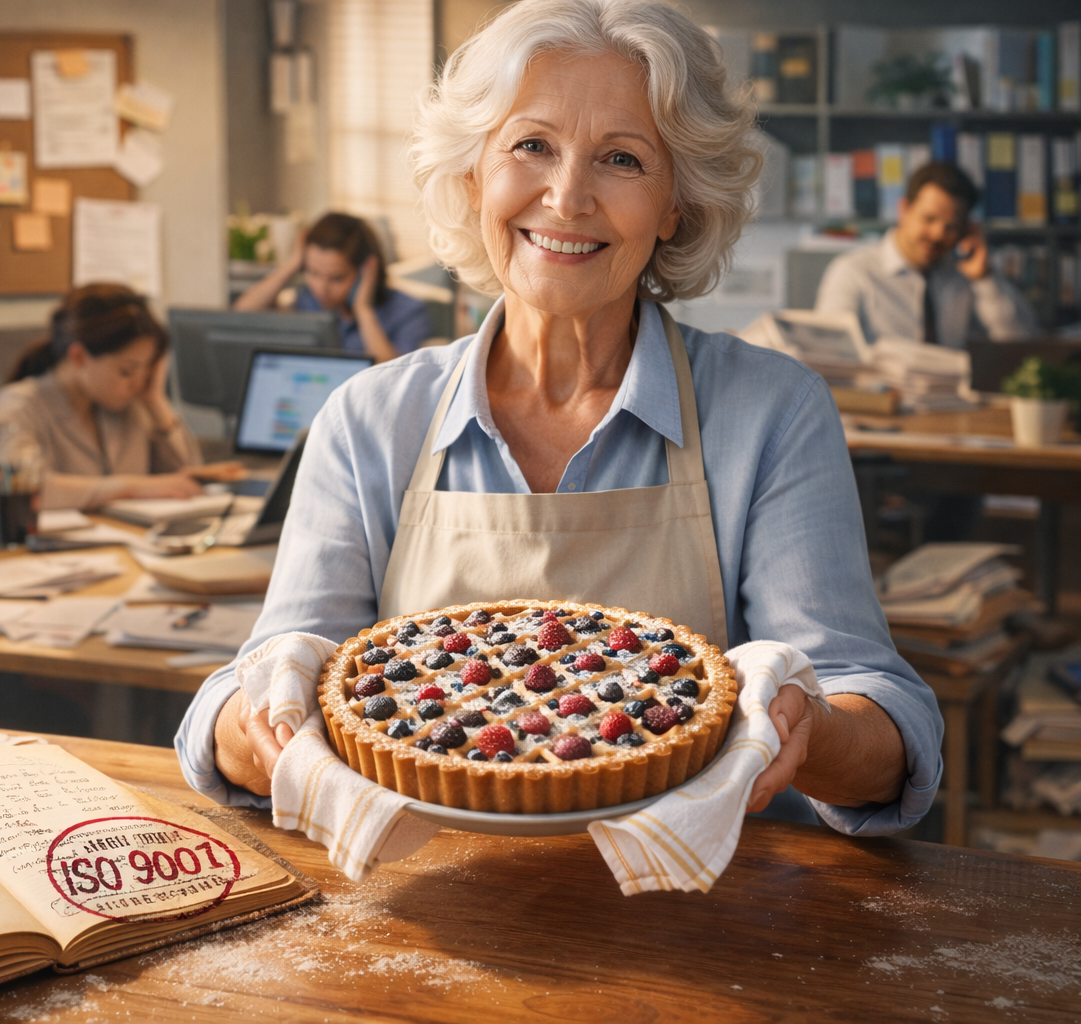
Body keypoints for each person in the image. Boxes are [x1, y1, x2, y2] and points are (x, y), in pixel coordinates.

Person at [178, 0, 943, 836]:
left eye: (621, 159)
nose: (567, 196)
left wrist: (810, 725)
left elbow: (889, 734)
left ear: (676, 206)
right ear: (474, 176)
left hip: (705, 917)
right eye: (531, 145)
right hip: (428, 904)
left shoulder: (771, 412)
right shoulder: (369, 419)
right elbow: (243, 703)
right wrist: (263, 720)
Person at [0, 284, 237, 510]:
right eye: (127, 370)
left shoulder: (128, 406)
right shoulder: (16, 410)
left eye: (147, 370)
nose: (138, 382)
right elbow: (21, 490)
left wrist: (156, 400)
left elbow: (186, 479)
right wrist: (128, 487)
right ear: (79, 357)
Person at [816, 161, 1038, 347]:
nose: (938, 234)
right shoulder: (853, 271)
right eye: (929, 219)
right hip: (881, 397)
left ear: (966, 229)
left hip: (949, 398)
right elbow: (829, 352)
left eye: (951, 226)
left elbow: (1019, 343)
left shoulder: (966, 276)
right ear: (904, 210)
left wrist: (985, 278)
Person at [233, 212, 433, 362]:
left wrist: (363, 310)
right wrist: (293, 264)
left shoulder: (407, 311)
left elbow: (396, 377)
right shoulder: (308, 302)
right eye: (312, 273)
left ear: (366, 269)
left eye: (336, 278)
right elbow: (243, 314)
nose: (321, 288)